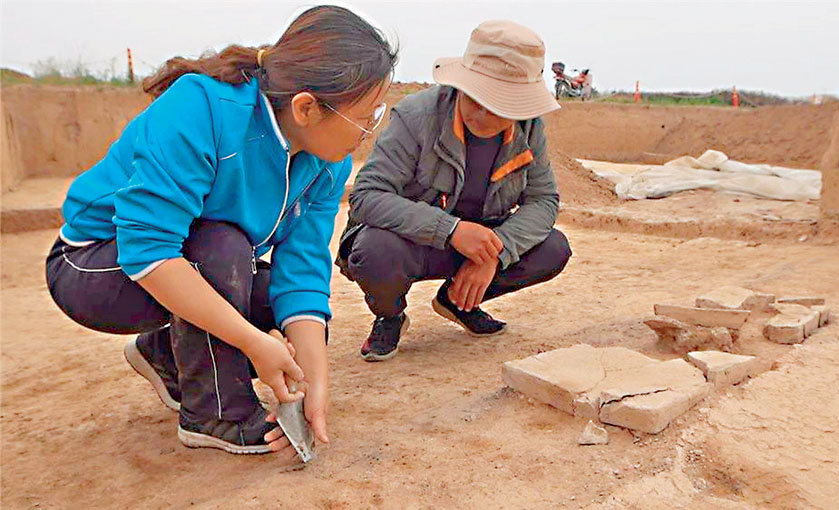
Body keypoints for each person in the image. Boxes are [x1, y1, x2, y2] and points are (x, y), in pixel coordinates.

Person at [44, 5, 397, 454]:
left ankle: (165, 356)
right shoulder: (202, 107)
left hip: (196, 258)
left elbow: (303, 269)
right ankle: (215, 414)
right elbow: (149, 248)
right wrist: (252, 344)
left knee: (276, 306)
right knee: (221, 244)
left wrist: (316, 384)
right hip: (95, 265)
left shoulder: (328, 162)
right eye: (365, 115)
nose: (370, 129)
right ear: (306, 107)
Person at [337, 20, 572, 362]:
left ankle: (458, 300)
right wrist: (450, 230)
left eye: (496, 104)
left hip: (480, 245)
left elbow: (543, 200)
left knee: (553, 248)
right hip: (413, 242)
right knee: (374, 249)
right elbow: (367, 196)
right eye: (474, 95)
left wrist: (496, 251)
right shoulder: (416, 117)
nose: (478, 112)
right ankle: (389, 316)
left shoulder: (530, 128)